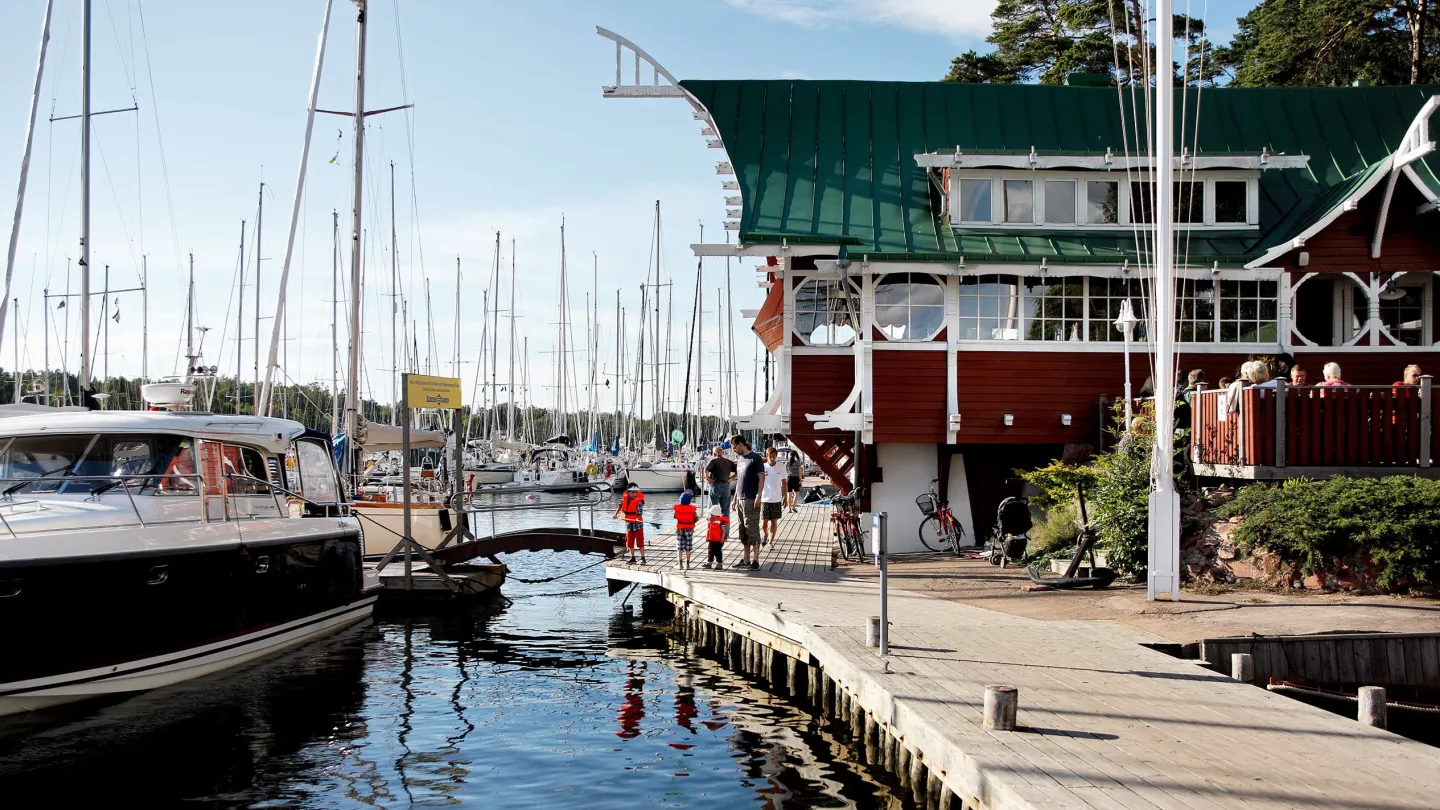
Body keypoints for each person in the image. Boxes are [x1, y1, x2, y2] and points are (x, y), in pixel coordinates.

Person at [730, 435, 764, 571]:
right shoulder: (740, 460)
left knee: (753, 528)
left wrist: (759, 496)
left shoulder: (755, 458)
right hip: (740, 499)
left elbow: (761, 478)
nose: (733, 450)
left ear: (741, 444)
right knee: (742, 529)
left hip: (751, 498)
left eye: (734, 447)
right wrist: (734, 499)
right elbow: (739, 480)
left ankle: (756, 559)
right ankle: (746, 559)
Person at [613, 482, 647, 565]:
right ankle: (633, 558)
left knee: (640, 542)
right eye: (632, 492)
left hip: (637, 525)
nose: (634, 494)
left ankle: (643, 558)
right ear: (628, 492)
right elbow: (620, 507)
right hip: (629, 525)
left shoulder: (638, 502)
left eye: (636, 492)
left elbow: (639, 513)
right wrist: (615, 514)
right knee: (630, 542)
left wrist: (637, 518)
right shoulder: (625, 501)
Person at [760, 446, 786, 546]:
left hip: (776, 498)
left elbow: (784, 482)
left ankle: (771, 542)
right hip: (765, 498)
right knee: (764, 523)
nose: (772, 458)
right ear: (767, 456)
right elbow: (760, 482)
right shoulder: (763, 467)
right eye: (770, 456)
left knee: (774, 522)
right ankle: (766, 534)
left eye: (774, 456)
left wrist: (785, 497)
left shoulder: (781, 466)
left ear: (776, 456)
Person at [704, 445, 735, 524]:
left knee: (712, 508)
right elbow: (738, 471)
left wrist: (708, 478)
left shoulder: (713, 461)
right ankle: (725, 533)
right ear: (722, 453)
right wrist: (731, 478)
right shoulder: (729, 462)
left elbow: (706, 470)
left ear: (714, 453)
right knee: (725, 510)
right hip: (726, 486)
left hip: (716, 485)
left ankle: (712, 529)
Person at [672, 490, 698, 570]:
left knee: (680, 548)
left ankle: (680, 564)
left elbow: (675, 517)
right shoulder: (692, 510)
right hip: (689, 530)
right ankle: (688, 564)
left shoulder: (677, 509)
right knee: (688, 547)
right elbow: (696, 519)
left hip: (680, 530)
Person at [703, 504, 729, 569]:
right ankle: (709, 562)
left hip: (718, 540)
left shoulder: (721, 522)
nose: (711, 516)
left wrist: (722, 538)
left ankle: (719, 563)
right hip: (711, 539)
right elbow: (709, 530)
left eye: (711, 514)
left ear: (714, 515)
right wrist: (707, 537)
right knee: (710, 551)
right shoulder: (711, 521)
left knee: (718, 552)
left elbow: (723, 530)